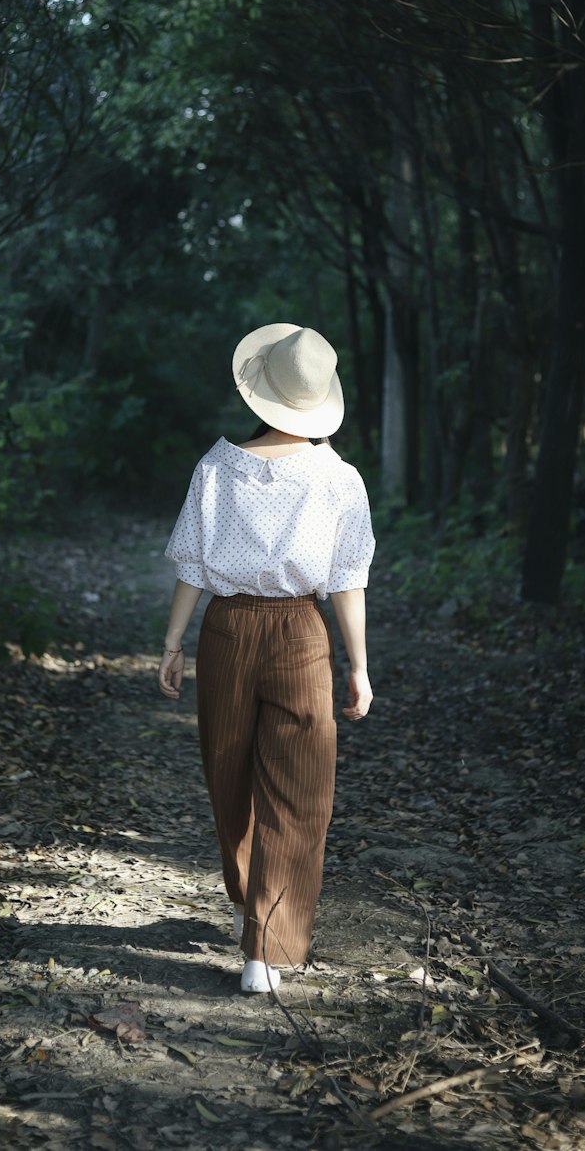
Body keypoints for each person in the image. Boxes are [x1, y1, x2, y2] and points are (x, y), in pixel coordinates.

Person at [158, 322, 375, 993]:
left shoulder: (216, 467)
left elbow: (192, 562)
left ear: (259, 394)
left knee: (230, 776)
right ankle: (266, 944)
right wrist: (358, 665)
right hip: (302, 637)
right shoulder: (338, 478)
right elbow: (347, 579)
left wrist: (172, 641)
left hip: (226, 631)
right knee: (299, 788)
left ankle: (254, 916)